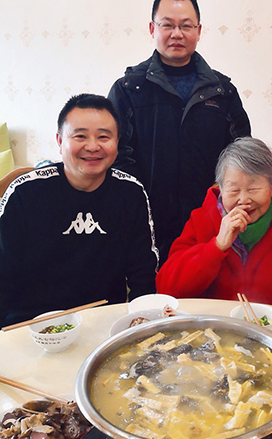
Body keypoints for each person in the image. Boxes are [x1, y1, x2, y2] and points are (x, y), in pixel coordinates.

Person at [108, 0, 251, 262]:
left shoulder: (222, 91)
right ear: (152, 28)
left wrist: (218, 204)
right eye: (168, 25)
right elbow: (117, 155)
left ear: (199, 31)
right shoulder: (129, 89)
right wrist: (139, 205)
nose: (177, 33)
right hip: (145, 224)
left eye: (186, 26)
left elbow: (240, 155)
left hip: (211, 224)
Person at [0, 94, 158, 327]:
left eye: (103, 136)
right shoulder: (25, 192)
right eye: (80, 136)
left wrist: (140, 323)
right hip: (31, 324)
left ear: (117, 141)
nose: (92, 146)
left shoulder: (131, 193)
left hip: (104, 320)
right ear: (60, 141)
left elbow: (143, 272)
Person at [156, 137, 272, 313]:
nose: (243, 200)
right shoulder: (202, 219)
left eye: (253, 189)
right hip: (211, 327)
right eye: (234, 190)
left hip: (270, 327)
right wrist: (216, 246)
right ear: (221, 189)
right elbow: (167, 289)